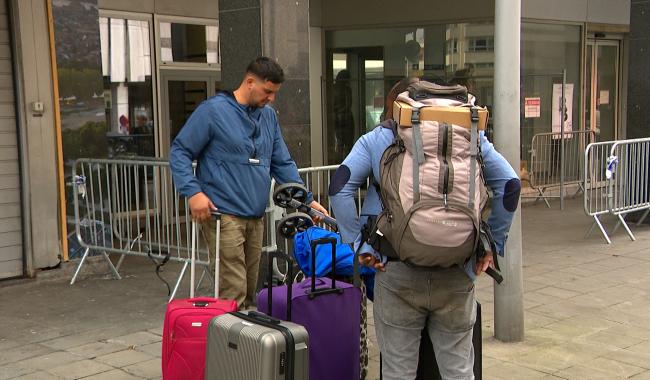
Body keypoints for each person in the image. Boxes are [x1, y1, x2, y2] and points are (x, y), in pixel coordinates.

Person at [329, 77, 521, 380]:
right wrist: (492, 246)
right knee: (458, 371)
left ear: (397, 107)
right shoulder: (469, 136)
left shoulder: (379, 139)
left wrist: (358, 246)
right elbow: (511, 186)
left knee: (397, 372)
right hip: (457, 270)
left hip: (395, 270)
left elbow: (339, 187)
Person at [170, 56, 328, 308]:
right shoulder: (213, 111)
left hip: (255, 216)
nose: (271, 98)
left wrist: (307, 201)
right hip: (223, 214)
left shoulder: (268, 117)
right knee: (233, 291)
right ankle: (231, 343)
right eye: (268, 91)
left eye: (275, 92)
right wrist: (193, 193)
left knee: (249, 288)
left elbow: (282, 163)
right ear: (250, 82)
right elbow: (180, 151)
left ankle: (245, 342)